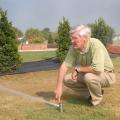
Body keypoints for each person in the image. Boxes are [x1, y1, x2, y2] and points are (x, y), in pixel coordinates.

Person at [54, 25, 116, 106]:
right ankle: (93, 93)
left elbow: (97, 69)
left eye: (75, 38)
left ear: (85, 38)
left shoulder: (95, 44)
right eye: (71, 38)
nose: (72, 41)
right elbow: (64, 66)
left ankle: (97, 102)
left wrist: (78, 69)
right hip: (90, 74)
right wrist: (59, 86)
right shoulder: (73, 48)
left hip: (107, 75)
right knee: (67, 79)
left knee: (89, 77)